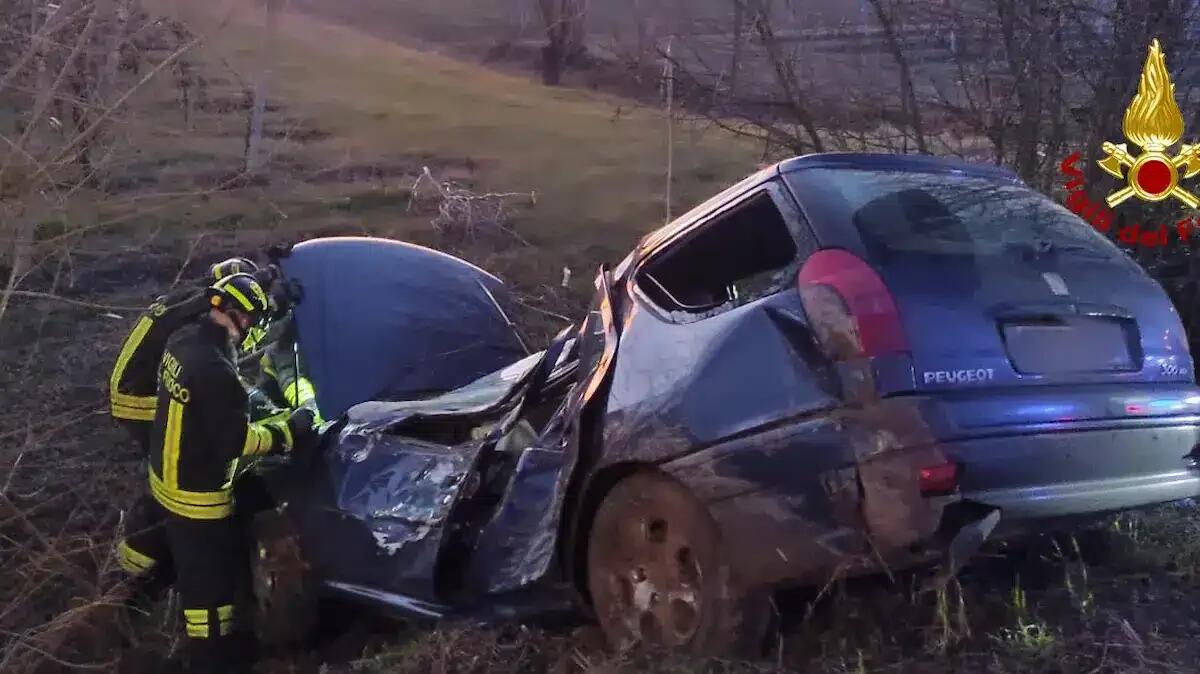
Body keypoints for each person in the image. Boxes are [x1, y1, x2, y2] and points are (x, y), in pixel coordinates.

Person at [121, 273, 318, 674]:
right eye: (255, 321)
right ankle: (211, 660)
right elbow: (236, 443)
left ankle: (134, 606)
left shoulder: (184, 346)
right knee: (211, 603)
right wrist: (287, 430)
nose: (256, 332)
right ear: (237, 315)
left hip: (167, 483)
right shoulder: (217, 371)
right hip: (200, 503)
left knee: (165, 555)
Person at [109, 257, 261, 455]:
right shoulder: (200, 309)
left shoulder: (188, 296)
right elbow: (225, 347)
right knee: (197, 429)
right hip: (138, 397)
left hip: (128, 384)